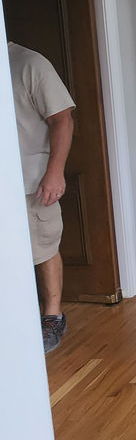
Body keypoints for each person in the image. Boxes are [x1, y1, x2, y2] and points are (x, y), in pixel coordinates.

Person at [7, 42, 75, 352]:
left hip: (30, 180)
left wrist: (55, 171)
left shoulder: (30, 63)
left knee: (43, 247)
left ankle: (52, 317)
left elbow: (62, 119)